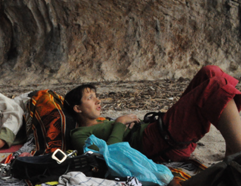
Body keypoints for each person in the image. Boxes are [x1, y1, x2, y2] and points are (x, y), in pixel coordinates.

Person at [66, 65, 241, 163]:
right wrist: (120, 123)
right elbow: (105, 158)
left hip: (159, 130)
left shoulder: (102, 121)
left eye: (96, 97)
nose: (98, 101)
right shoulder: (78, 135)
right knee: (215, 85)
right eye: (90, 98)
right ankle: (238, 149)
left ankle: (231, 147)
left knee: (209, 72)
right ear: (77, 109)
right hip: (160, 142)